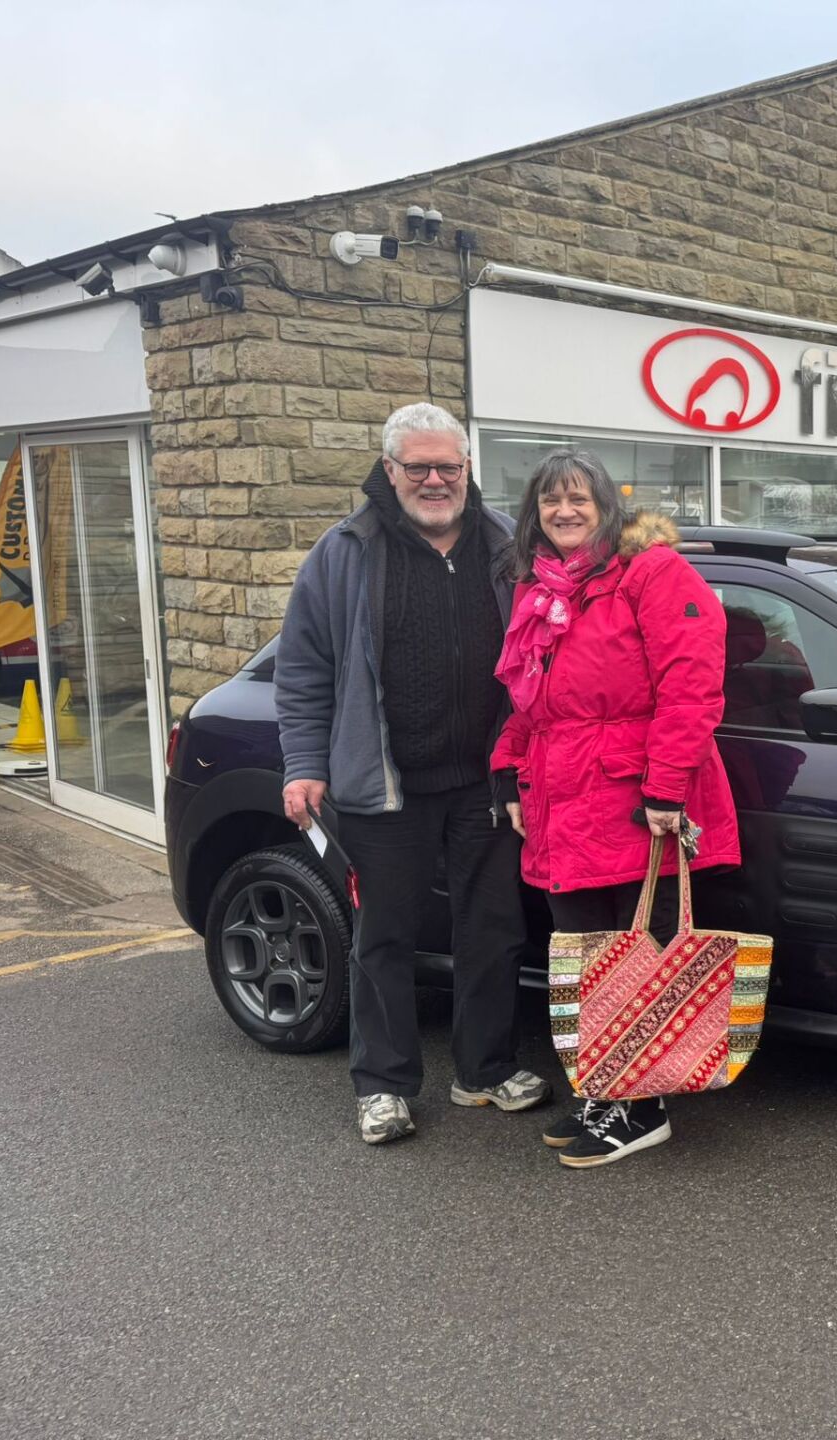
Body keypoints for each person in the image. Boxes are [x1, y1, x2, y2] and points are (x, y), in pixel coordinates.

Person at [277, 402, 551, 1144]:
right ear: (389, 471)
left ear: (468, 469)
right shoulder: (345, 552)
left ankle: (484, 1070)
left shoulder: (506, 545)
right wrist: (304, 764)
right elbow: (304, 670)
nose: (436, 480)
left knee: (493, 930)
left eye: (449, 467)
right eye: (419, 467)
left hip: (485, 782)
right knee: (384, 936)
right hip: (384, 783)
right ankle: (384, 1084)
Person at [491, 450, 740, 1169]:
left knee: (642, 955)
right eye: (549, 502)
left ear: (607, 505)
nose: (564, 512)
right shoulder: (538, 590)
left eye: (579, 499)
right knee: (589, 956)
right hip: (563, 801)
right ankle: (609, 1088)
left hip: (634, 801)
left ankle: (643, 1108)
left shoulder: (651, 573)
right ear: (534, 514)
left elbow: (692, 683)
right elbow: (530, 704)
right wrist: (506, 772)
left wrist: (665, 788)